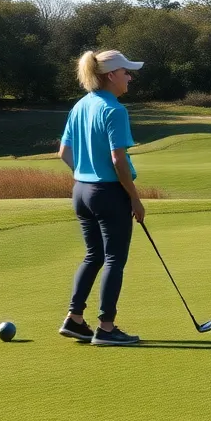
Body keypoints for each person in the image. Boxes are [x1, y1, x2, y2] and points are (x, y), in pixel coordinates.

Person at [57, 50, 147, 346]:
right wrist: (134, 198)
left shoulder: (81, 105)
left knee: (93, 255)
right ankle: (106, 328)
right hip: (108, 193)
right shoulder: (114, 110)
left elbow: (64, 153)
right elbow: (118, 161)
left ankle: (75, 319)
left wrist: (85, 172)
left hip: (81, 191)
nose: (129, 77)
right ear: (111, 76)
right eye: (126, 72)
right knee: (113, 259)